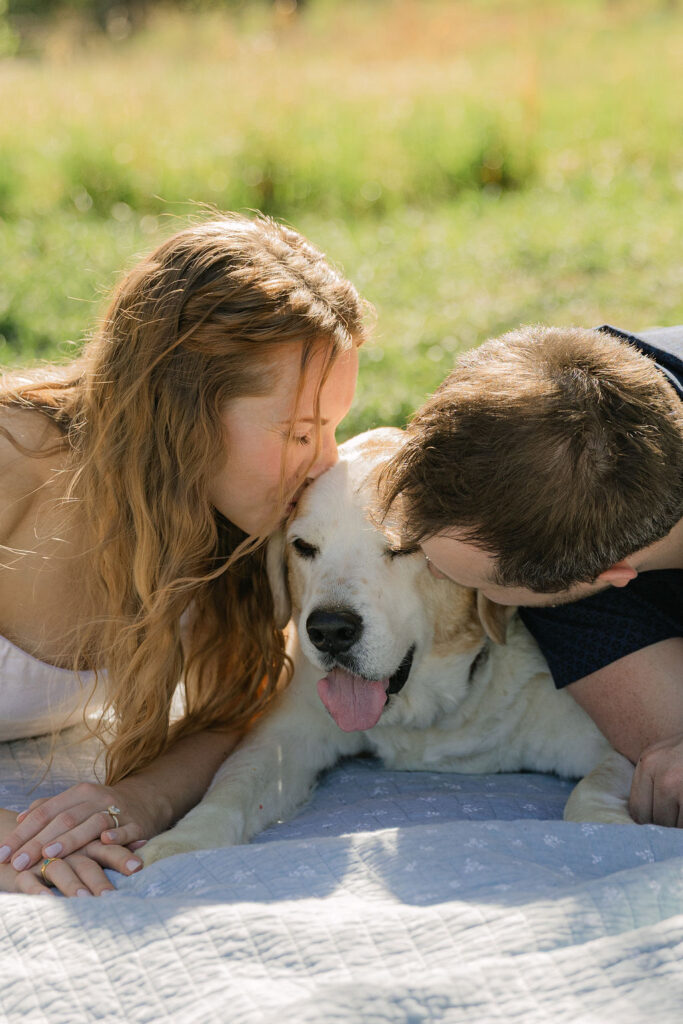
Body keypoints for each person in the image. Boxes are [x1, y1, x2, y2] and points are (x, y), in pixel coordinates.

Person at [0, 213, 367, 896]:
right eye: (297, 433)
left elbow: (238, 707)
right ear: (184, 412)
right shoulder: (13, 466)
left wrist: (137, 800)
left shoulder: (229, 528)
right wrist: (16, 842)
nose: (324, 464)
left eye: (332, 429)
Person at [381, 324, 683, 827]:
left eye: (478, 585)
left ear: (611, 573)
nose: (431, 572)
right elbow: (669, 736)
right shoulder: (545, 436)